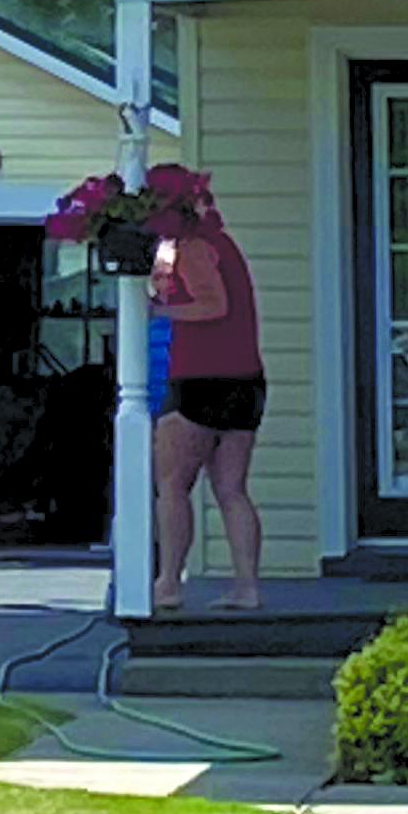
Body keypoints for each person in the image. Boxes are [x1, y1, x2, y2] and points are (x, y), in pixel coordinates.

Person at [150, 208, 265, 612]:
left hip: (201, 378)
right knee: (232, 489)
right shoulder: (220, 244)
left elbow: (214, 304)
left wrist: (157, 311)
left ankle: (168, 583)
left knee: (172, 484)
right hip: (246, 379)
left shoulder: (194, 246)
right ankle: (247, 587)